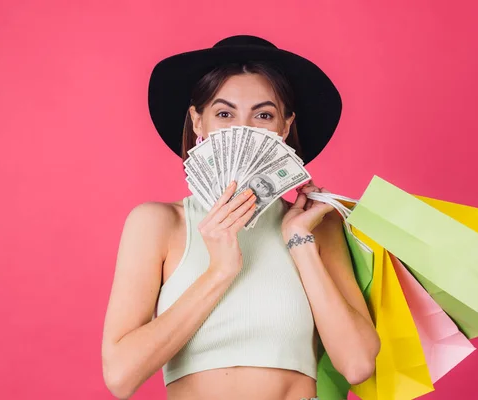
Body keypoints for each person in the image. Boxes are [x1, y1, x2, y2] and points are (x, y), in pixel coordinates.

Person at [101, 35, 380, 400]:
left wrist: (299, 242)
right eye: (224, 113)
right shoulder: (158, 224)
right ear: (197, 122)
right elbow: (121, 377)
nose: (243, 130)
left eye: (263, 115)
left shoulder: (314, 227)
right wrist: (219, 271)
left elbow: (357, 364)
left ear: (284, 128)